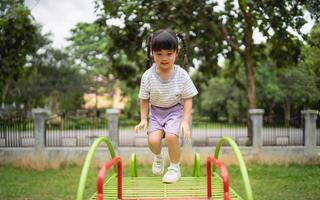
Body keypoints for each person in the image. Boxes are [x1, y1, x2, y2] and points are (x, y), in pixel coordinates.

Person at [134, 29, 198, 183]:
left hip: (174, 111)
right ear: (152, 54)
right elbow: (144, 99)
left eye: (169, 54)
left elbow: (188, 98)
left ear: (177, 52)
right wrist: (143, 119)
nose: (164, 58)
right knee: (153, 141)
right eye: (159, 54)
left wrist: (185, 121)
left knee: (171, 137)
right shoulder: (148, 76)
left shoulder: (181, 74)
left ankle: (175, 168)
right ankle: (158, 157)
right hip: (155, 113)